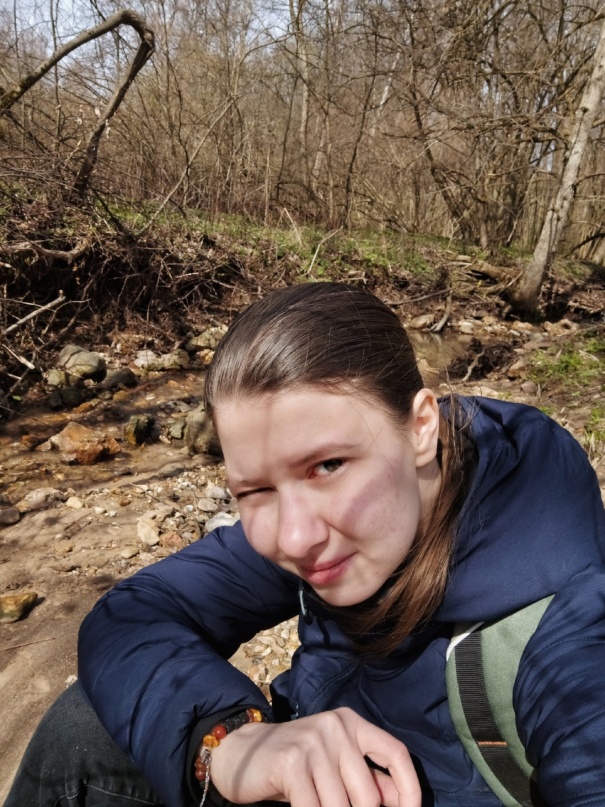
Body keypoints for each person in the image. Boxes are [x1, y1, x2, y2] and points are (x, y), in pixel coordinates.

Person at [5, 282, 605, 807]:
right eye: (254, 490)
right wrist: (227, 742)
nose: (293, 538)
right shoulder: (346, 530)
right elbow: (133, 612)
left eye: (328, 466)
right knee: (85, 729)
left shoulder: (567, 640)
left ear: (421, 427)